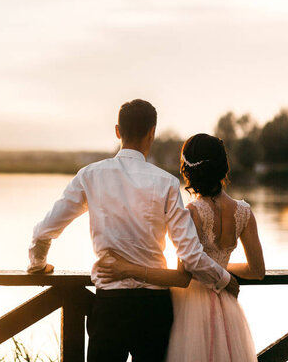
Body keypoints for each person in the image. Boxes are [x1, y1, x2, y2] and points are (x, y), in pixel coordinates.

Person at [27, 99, 239, 362]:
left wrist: (39, 265)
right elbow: (192, 256)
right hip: (154, 310)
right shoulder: (167, 184)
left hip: (110, 306)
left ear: (118, 131)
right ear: (152, 133)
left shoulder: (90, 176)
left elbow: (43, 233)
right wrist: (225, 280)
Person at [97, 133, 265, 361]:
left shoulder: (192, 213)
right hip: (227, 307)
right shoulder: (244, 212)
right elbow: (256, 270)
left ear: (189, 171)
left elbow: (182, 276)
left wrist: (129, 269)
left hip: (191, 311)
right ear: (223, 168)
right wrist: (222, 270)